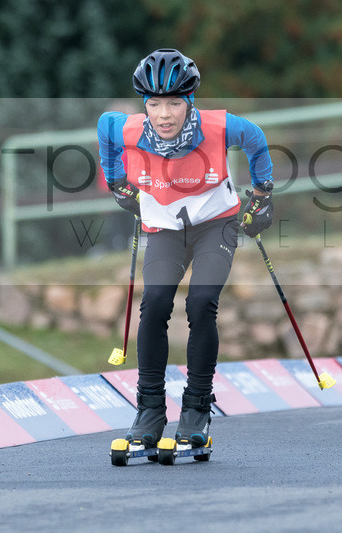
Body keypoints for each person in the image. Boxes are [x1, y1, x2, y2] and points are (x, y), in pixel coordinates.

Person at [98, 48, 275, 449]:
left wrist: (263, 194)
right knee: (156, 303)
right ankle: (149, 409)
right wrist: (116, 181)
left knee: (200, 303)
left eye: (175, 102)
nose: (164, 114)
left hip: (217, 223)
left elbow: (256, 139)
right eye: (155, 103)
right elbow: (104, 129)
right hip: (164, 226)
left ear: (189, 102)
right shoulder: (127, 130)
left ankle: (196, 406)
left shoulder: (220, 127)